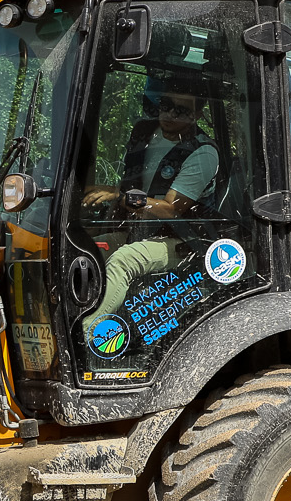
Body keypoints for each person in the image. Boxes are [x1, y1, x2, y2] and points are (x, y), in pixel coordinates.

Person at [82, 85, 223, 330]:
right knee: (84, 250)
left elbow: (171, 208)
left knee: (125, 260)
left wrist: (119, 195)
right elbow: (135, 183)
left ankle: (87, 333)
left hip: (182, 239)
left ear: (197, 115)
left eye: (181, 110)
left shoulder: (203, 152)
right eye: (166, 105)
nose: (170, 114)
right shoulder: (145, 134)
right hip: (140, 230)